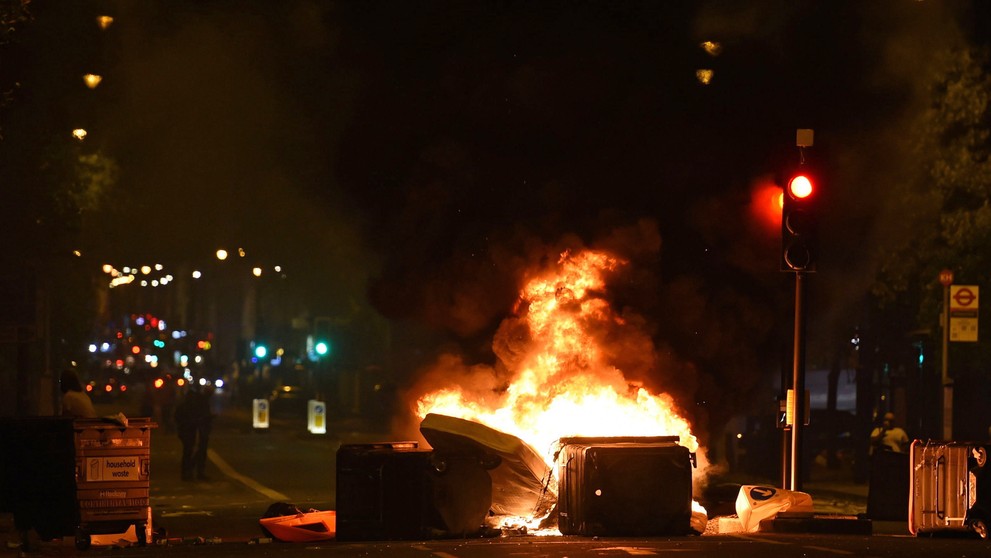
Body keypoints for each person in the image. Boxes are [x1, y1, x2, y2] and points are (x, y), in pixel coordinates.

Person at [174, 384, 214, 481]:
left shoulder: (188, 404)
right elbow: (202, 417)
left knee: (190, 452)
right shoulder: (199, 403)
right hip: (193, 430)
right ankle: (191, 472)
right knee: (195, 451)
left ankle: (189, 473)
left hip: (189, 430)